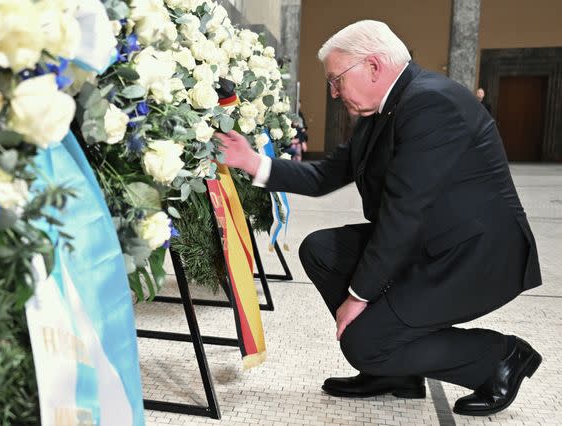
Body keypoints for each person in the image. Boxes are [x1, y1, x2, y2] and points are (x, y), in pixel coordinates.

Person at [215, 19, 542, 417]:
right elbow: (323, 176)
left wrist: (358, 297)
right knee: (322, 250)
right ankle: (395, 372)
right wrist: (250, 160)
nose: (333, 93)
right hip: (431, 242)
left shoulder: (430, 104)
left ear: (373, 66)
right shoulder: (384, 110)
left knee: (363, 343)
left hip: (474, 256)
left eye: (336, 80)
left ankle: (499, 356)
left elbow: (403, 215)